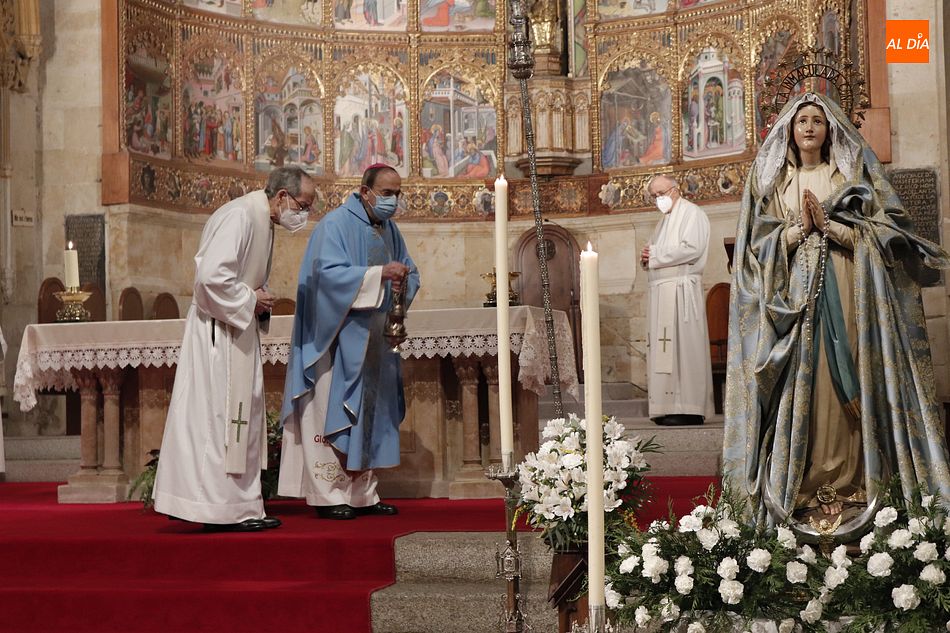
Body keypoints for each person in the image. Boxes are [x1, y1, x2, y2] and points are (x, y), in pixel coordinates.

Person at [722, 92, 950, 528]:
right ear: (789, 130)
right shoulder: (775, 184)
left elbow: (880, 235)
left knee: (842, 379)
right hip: (794, 302)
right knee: (804, 383)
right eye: (801, 120)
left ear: (830, 132)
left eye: (818, 121)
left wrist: (831, 228)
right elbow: (757, 248)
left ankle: (851, 482)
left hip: (847, 290)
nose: (809, 127)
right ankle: (806, 484)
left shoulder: (848, 174)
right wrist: (797, 232)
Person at [153, 167, 315, 532]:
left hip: (233, 330)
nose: (303, 215)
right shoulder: (241, 215)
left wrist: (253, 300)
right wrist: (250, 299)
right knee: (221, 420)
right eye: (302, 206)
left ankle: (239, 505)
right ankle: (218, 508)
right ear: (282, 197)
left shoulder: (260, 217)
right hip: (218, 334)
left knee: (239, 417)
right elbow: (210, 278)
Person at [279, 163, 420, 520]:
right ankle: (328, 495)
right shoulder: (334, 225)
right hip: (334, 340)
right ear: (365, 192)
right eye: (387, 194)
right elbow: (326, 277)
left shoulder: (389, 230)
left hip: (373, 340)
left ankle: (362, 494)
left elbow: (408, 268)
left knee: (371, 414)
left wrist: (402, 281)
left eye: (397, 194)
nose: (393, 201)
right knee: (333, 411)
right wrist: (377, 274)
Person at [640, 174, 713, 426]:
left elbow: (692, 248)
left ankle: (689, 407)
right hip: (662, 292)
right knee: (664, 350)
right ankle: (665, 406)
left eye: (661, 193)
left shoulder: (692, 214)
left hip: (682, 293)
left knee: (684, 349)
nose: (658, 199)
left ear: (675, 189)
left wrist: (655, 254)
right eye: (654, 196)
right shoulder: (663, 221)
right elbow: (652, 251)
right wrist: (646, 256)